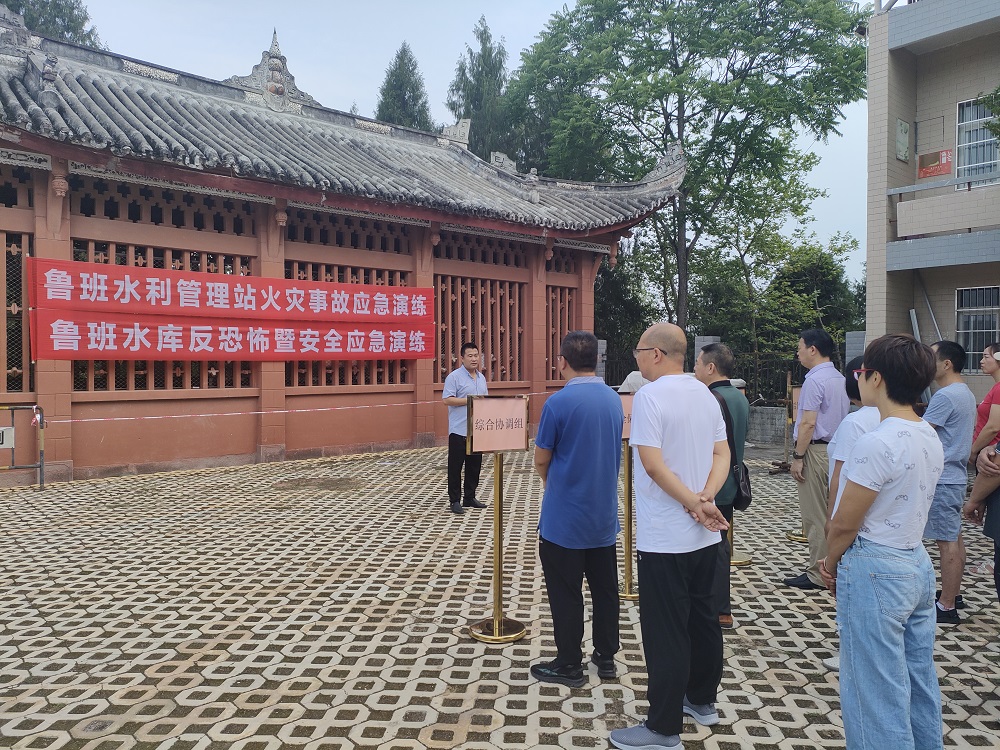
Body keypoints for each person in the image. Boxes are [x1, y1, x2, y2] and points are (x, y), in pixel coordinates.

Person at [610, 323, 730, 750]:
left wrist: (694, 503)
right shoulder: (706, 393)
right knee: (703, 621)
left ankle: (662, 728)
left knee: (666, 631)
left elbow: (654, 465)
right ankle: (702, 700)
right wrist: (706, 497)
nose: (637, 358)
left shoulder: (650, 396)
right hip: (705, 537)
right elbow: (722, 453)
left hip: (665, 537)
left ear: (657, 354)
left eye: (639, 351)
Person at [821, 334, 944, 750]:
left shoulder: (876, 440)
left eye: (861, 372)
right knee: (918, 678)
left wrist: (829, 563)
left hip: (875, 567)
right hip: (916, 562)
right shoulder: (928, 433)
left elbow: (844, 523)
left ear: (875, 378)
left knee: (874, 690)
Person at [531, 331, 624, 688]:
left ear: (562, 361)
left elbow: (542, 459)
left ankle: (570, 663)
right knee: (605, 590)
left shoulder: (557, 403)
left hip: (565, 520)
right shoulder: (614, 399)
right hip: (603, 516)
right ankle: (606, 656)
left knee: (566, 592)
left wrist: (551, 483)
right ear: (597, 360)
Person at [819, 355, 881, 673]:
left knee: (847, 586)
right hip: (886, 526)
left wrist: (832, 520)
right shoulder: (906, 421)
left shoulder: (856, 422)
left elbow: (839, 477)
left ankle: (850, 652)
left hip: (853, 517)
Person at [784, 328, 849, 591]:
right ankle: (834, 567)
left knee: (815, 515)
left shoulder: (814, 381)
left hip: (816, 451)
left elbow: (808, 423)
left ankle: (818, 573)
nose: (797, 352)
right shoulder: (839, 378)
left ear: (813, 349)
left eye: (800, 347)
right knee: (832, 511)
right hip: (837, 450)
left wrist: (798, 456)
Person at [693, 343, 749, 630]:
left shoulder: (710, 399)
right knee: (721, 544)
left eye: (697, 363)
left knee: (714, 548)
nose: (694, 368)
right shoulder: (739, 397)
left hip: (713, 483)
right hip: (732, 481)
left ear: (711, 367)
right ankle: (719, 606)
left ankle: (718, 608)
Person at [921, 341, 977, 625]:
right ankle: (953, 594)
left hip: (943, 478)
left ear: (947, 364)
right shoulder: (964, 392)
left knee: (947, 543)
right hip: (954, 476)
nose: (926, 363)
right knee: (954, 538)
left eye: (931, 358)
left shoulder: (945, 396)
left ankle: (946, 606)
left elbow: (922, 432)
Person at [962, 342, 1000, 601]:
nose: (982, 360)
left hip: (992, 463)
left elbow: (993, 426)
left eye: (986, 356)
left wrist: (974, 451)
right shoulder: (995, 388)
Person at [441, 342, 489, 515]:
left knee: (474, 466)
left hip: (477, 429)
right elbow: (447, 399)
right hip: (458, 430)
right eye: (470, 356)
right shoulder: (454, 377)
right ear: (462, 358)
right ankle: (454, 500)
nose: (474, 359)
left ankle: (470, 497)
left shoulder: (482, 378)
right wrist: (469, 400)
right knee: (455, 467)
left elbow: (484, 400)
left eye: (476, 355)